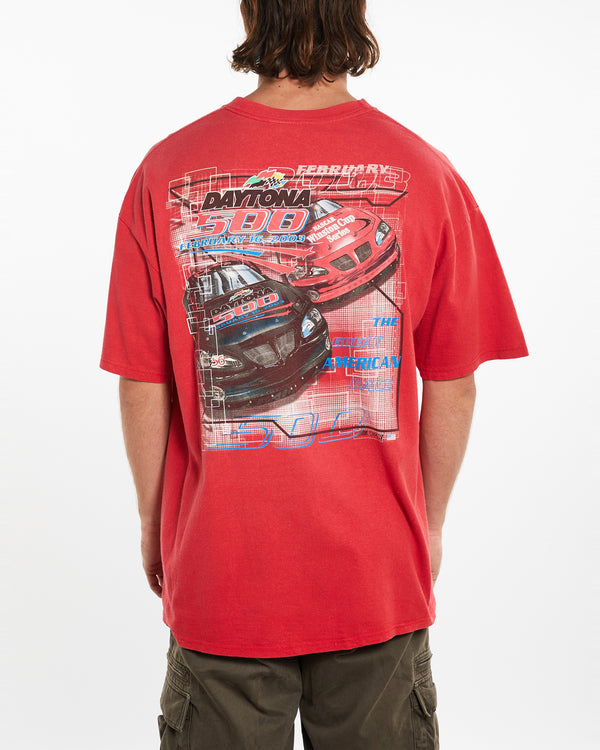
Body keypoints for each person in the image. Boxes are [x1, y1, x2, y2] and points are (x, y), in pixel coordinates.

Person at [101, 1, 528, 747]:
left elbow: (144, 379)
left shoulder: (165, 169)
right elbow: (453, 380)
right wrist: (426, 527)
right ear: (355, 11)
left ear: (249, 11)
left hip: (220, 567)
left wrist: (153, 519)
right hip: (376, 573)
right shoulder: (426, 170)